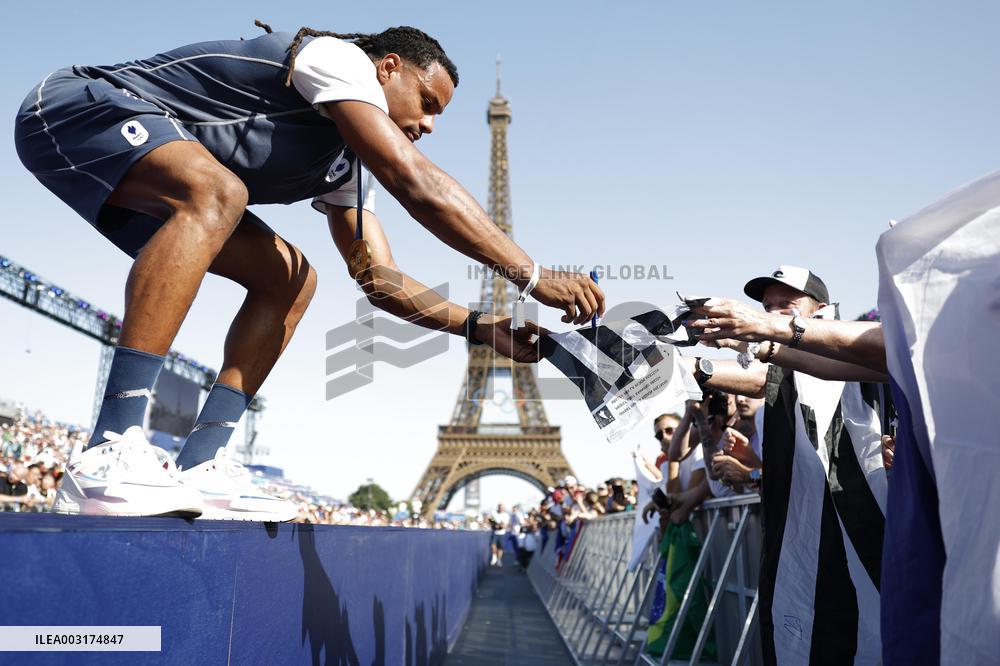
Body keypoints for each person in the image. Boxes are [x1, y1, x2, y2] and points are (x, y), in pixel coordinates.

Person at [15, 23, 604, 520]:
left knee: (294, 280)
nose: (429, 126)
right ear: (387, 68)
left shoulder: (348, 165)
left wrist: (479, 327)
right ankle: (110, 447)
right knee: (220, 192)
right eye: (427, 102)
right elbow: (415, 181)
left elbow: (381, 281)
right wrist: (532, 274)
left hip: (161, 181)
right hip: (74, 107)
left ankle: (202, 460)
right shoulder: (335, 59)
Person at [686, 265, 889, 665]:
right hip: (805, 539)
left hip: (866, 531)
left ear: (823, 311)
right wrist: (682, 369)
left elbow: (790, 366)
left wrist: (763, 334)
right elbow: (769, 374)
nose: (774, 312)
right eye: (767, 306)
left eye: (787, 304)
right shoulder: (790, 366)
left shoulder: (861, 351)